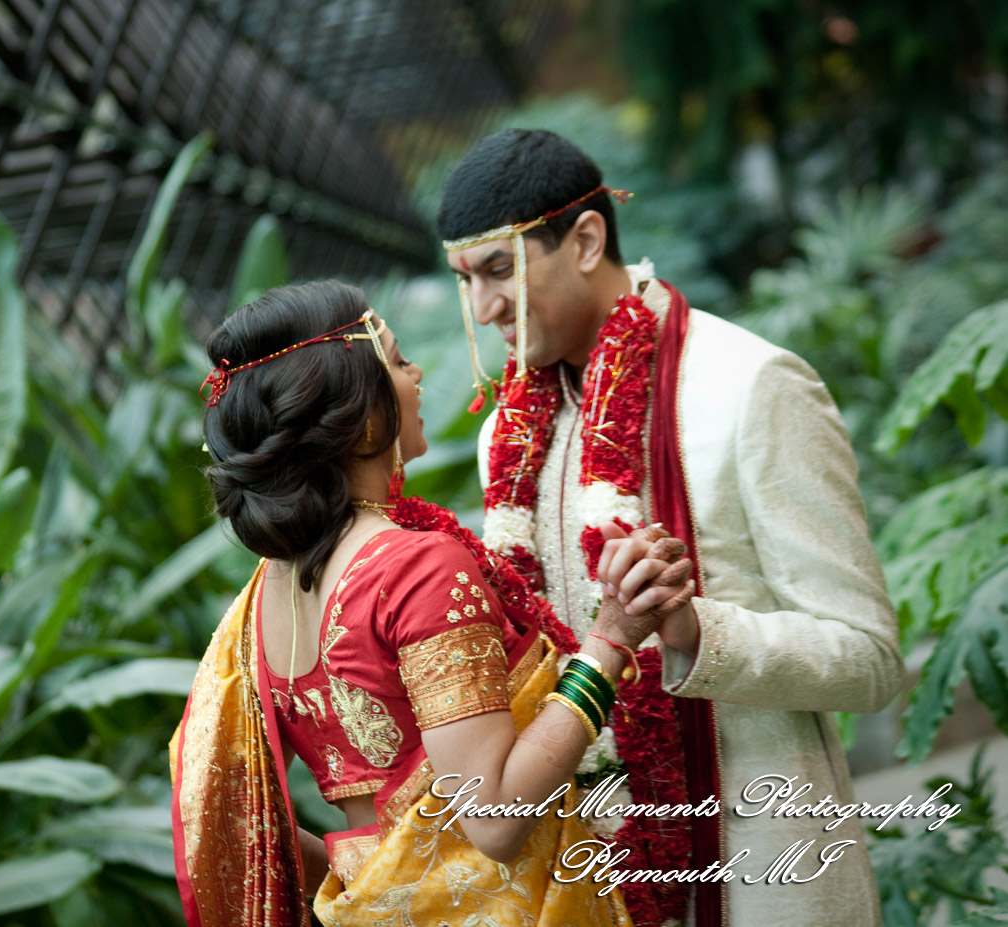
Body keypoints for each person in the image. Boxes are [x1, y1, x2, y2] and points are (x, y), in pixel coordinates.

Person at [436, 128, 904, 927]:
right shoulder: (504, 439)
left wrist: (693, 630)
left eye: (499, 269)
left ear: (585, 240)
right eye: (465, 280)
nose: (483, 309)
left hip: (765, 872)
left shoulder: (749, 386)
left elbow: (870, 659)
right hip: (591, 879)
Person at [169, 280, 698, 927]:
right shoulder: (413, 568)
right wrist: (612, 638)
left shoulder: (266, 594)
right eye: (395, 359)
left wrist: (370, 880)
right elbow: (496, 818)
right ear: (362, 420)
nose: (416, 373)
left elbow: (244, 826)